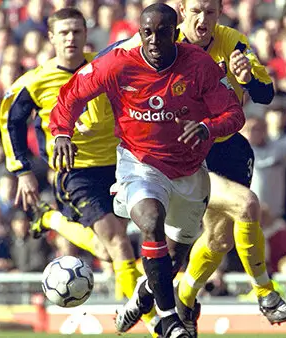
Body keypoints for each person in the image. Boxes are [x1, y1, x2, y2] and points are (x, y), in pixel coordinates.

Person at [48, 4, 245, 338]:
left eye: (162, 32)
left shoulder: (199, 66)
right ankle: (168, 320)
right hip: (138, 162)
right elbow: (72, 95)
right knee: (150, 220)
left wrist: (208, 127)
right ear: (139, 32)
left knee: (173, 258)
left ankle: (144, 292)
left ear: (175, 30)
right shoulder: (118, 62)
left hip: (188, 170)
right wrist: (62, 133)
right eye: (146, 32)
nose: (154, 40)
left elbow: (233, 113)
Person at [109, 0, 286, 335]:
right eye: (195, 10)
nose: (202, 19)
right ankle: (265, 293)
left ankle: (175, 296)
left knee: (219, 240)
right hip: (184, 155)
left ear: (220, 12)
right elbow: (114, 61)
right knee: (247, 205)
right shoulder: (163, 41)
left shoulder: (234, 43)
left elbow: (266, 94)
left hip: (228, 150)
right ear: (181, 10)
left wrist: (248, 77)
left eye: (210, 11)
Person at [0, 8, 159, 335]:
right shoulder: (34, 82)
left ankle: (50, 219)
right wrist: (22, 171)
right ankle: (156, 322)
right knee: (117, 243)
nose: (71, 38)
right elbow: (10, 122)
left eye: (77, 32)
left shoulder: (105, 66)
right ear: (52, 37)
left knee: (107, 249)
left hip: (119, 165)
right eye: (64, 32)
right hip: (75, 173)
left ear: (87, 35)